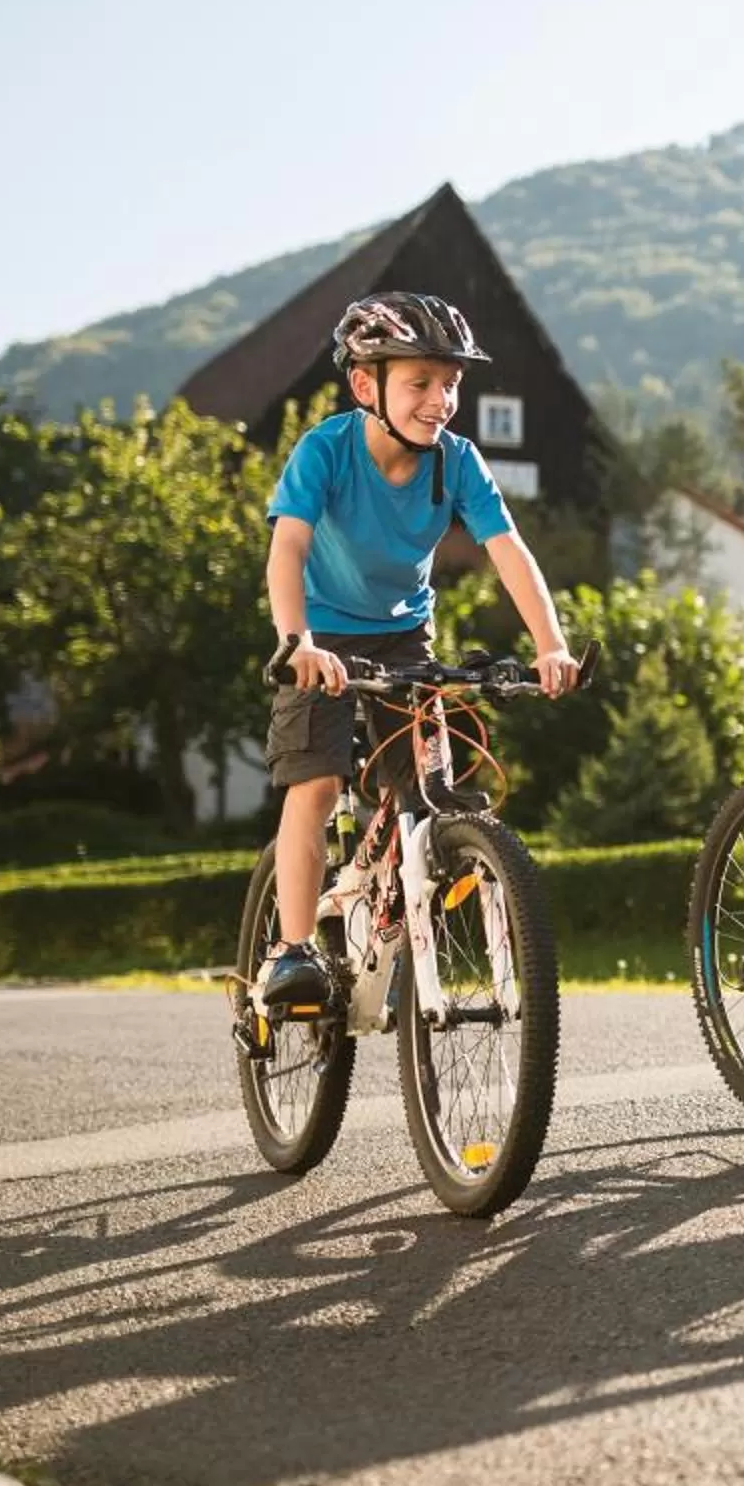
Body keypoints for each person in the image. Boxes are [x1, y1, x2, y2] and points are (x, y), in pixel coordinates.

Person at [251, 292, 580, 1032]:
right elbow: (288, 548)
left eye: (452, 384)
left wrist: (550, 644)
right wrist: (295, 640)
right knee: (316, 781)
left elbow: (510, 554)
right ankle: (294, 948)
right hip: (321, 636)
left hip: (404, 639)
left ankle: (401, 912)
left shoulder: (457, 462)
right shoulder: (325, 451)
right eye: (420, 383)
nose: (442, 401)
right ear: (366, 386)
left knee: (432, 793)